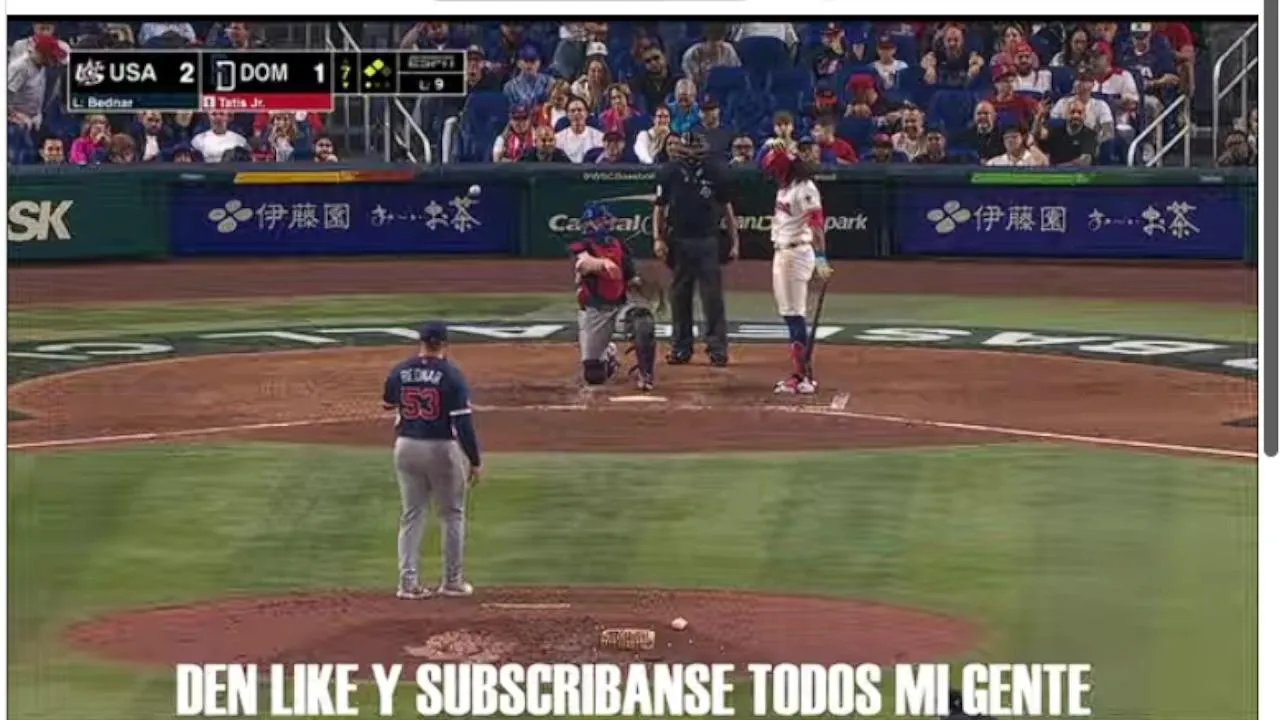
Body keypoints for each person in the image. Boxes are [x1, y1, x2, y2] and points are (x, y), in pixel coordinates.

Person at [382, 321, 481, 600]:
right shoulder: (452, 375)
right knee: (452, 515)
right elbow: (463, 424)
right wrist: (474, 460)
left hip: (406, 446)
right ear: (445, 344)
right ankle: (452, 581)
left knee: (412, 514)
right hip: (441, 448)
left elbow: (388, 403)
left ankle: (408, 583)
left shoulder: (400, 370)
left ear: (421, 342)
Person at [653, 131, 738, 367]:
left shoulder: (716, 171)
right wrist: (658, 239)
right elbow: (659, 208)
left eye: (695, 147)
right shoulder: (669, 171)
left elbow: (727, 209)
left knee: (712, 297)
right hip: (678, 239)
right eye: (688, 147)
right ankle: (681, 347)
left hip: (707, 239)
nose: (691, 152)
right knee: (680, 296)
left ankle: (717, 349)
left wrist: (735, 241)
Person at [759, 137, 835, 395]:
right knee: (790, 314)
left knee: (794, 315)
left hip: (796, 253)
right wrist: (774, 147)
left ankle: (802, 377)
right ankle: (801, 373)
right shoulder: (785, 186)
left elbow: (817, 226)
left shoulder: (805, 188)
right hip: (784, 253)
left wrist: (822, 259)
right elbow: (762, 163)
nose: (772, 174)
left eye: (774, 170)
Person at [571, 202, 659, 392]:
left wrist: (642, 286)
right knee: (594, 375)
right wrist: (603, 264)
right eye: (599, 221)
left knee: (643, 322)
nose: (604, 224)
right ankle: (609, 354)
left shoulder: (619, 245)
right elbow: (583, 264)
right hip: (596, 311)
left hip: (620, 305)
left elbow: (631, 278)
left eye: (605, 220)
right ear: (589, 224)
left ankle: (646, 375)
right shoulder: (582, 246)